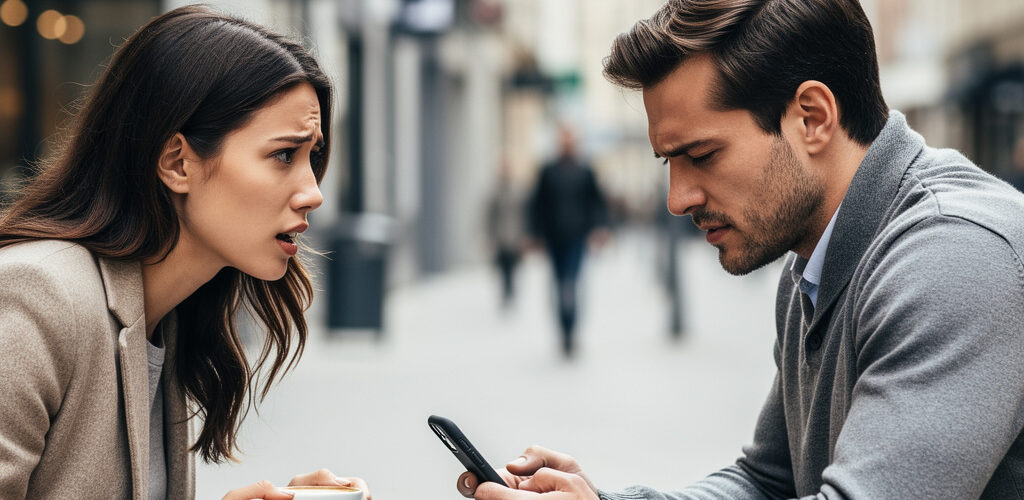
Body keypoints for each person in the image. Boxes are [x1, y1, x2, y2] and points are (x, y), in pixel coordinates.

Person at [457, 0, 1024, 499]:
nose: (678, 198)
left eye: (701, 155)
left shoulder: (957, 257)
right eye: (668, 162)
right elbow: (767, 481)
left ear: (812, 118)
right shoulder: (814, 256)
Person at [0, 6, 371, 500]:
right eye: (284, 154)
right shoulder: (35, 298)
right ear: (178, 162)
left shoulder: (167, 320)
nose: (313, 192)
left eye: (313, 157)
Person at [527, 126, 610, 357]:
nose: (567, 144)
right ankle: (563, 331)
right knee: (559, 283)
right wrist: (535, 235)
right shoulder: (548, 171)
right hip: (554, 238)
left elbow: (597, 203)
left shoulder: (585, 171)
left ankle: (572, 331)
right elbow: (537, 205)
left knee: (570, 284)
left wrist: (600, 229)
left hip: (577, 237)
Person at [487, 160, 528, 309]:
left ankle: (511, 292)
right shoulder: (495, 192)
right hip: (500, 237)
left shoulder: (518, 192)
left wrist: (524, 236)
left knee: (513, 267)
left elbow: (524, 215)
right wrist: (490, 236)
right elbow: (490, 216)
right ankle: (505, 293)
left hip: (515, 237)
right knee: (502, 267)